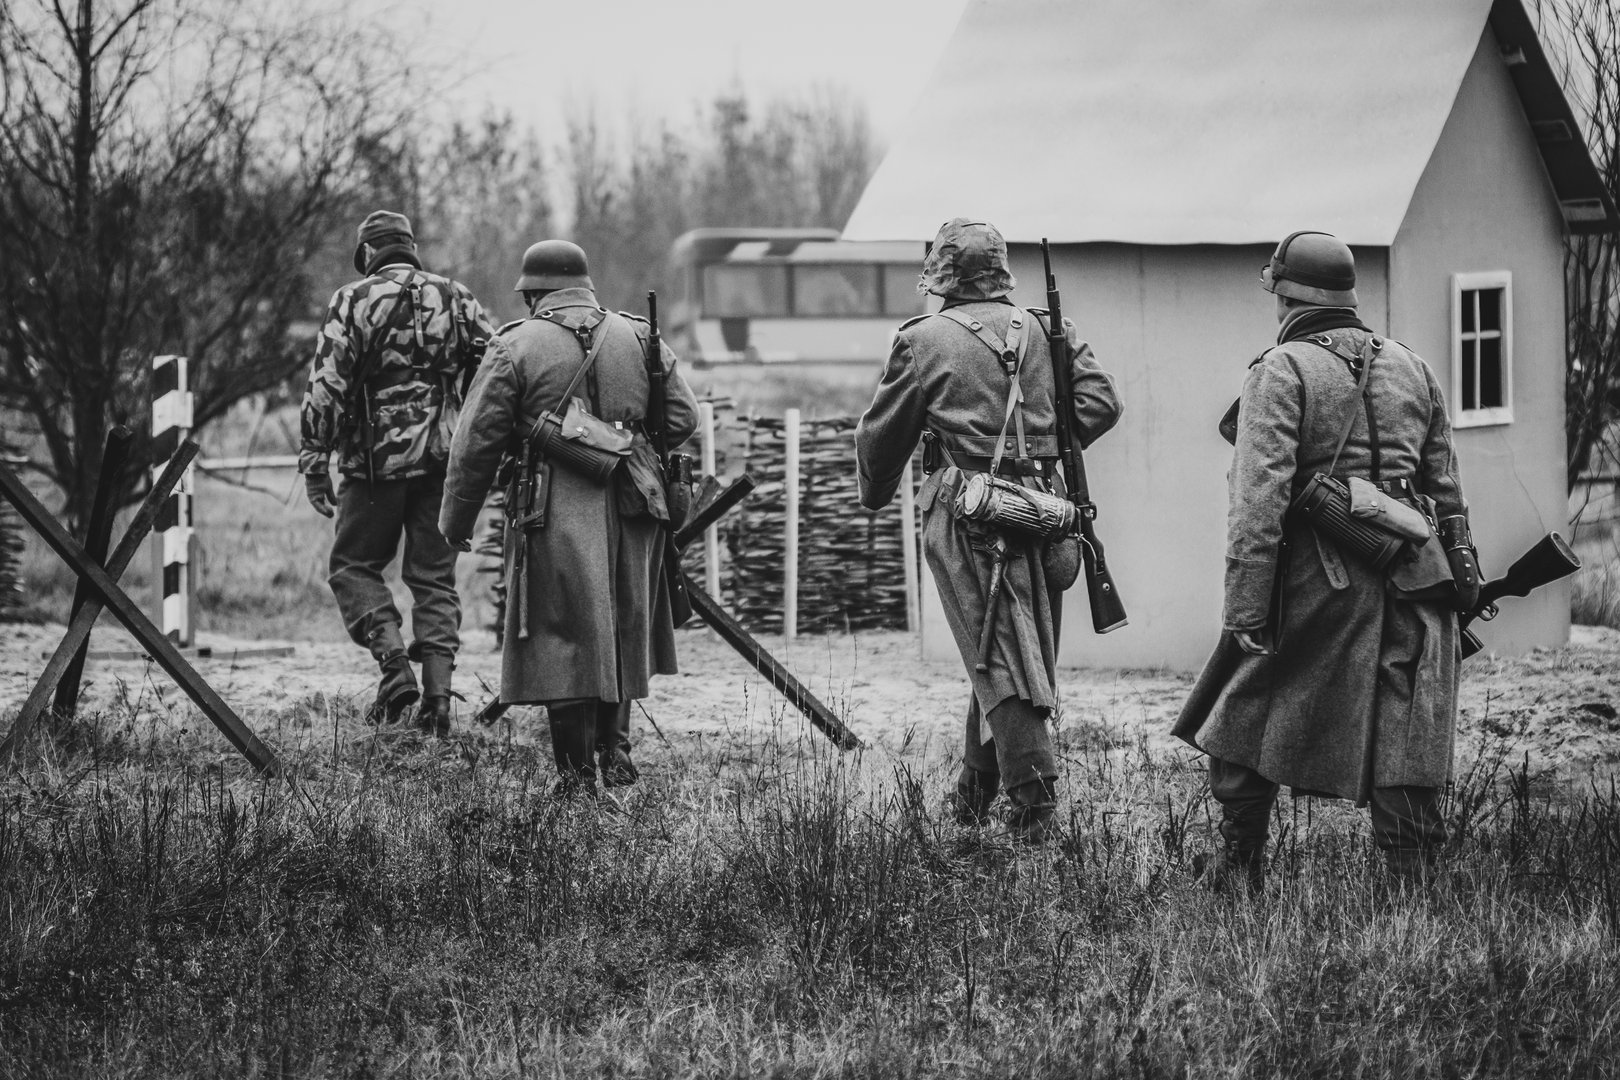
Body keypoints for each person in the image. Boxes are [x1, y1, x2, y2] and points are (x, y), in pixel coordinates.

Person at [1173, 230, 1481, 889]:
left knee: (1240, 712)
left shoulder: (1279, 370)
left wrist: (1247, 609)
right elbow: (1448, 496)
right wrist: (1463, 589)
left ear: (1285, 297)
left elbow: (1258, 501)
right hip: (1417, 577)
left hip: (1318, 584)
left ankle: (1236, 868)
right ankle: (1413, 890)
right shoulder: (1413, 366)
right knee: (1407, 737)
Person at [855, 218, 1123, 843]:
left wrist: (876, 491)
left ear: (942, 278)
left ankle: (1035, 810)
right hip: (1044, 511)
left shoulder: (923, 341)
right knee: (1006, 647)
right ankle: (973, 797)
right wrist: (1047, 451)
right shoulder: (1048, 328)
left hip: (969, 514)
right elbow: (1101, 402)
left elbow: (880, 435)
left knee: (1002, 655)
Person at [439, 239, 698, 796]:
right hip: (637, 501)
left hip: (553, 504)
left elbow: (475, 443)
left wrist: (455, 521)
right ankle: (616, 749)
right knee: (622, 623)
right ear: (585, 286)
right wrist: (625, 435)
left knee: (563, 634)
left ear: (532, 291)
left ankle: (578, 780)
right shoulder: (639, 335)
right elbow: (682, 418)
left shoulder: (515, 346)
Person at [300, 210, 494, 738]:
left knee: (353, 567)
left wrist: (315, 460)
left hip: (373, 466)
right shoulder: (457, 297)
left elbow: (326, 389)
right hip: (444, 464)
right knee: (434, 579)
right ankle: (437, 703)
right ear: (411, 249)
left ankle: (393, 669)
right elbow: (497, 370)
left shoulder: (353, 300)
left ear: (367, 255)